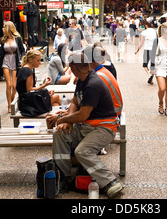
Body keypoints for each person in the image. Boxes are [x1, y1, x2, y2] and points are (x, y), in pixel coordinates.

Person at [47, 52, 124, 198]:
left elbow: (83, 115)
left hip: (103, 128)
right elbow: (75, 102)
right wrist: (68, 120)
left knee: (82, 151)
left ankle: (110, 182)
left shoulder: (93, 84)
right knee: (60, 134)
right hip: (86, 126)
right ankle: (63, 177)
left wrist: (60, 119)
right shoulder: (82, 79)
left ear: (74, 67)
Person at [84, 44, 123, 119]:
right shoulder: (102, 71)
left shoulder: (98, 76)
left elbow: (89, 105)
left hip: (110, 116)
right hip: (112, 112)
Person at [0, 21, 25, 113]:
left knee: (14, 86)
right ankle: (9, 105)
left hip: (15, 61)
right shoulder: (3, 40)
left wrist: (22, 59)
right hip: (6, 61)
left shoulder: (18, 39)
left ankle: (12, 98)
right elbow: (1, 53)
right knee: (9, 85)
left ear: (8, 28)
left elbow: (22, 50)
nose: (2, 29)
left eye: (4, 27)